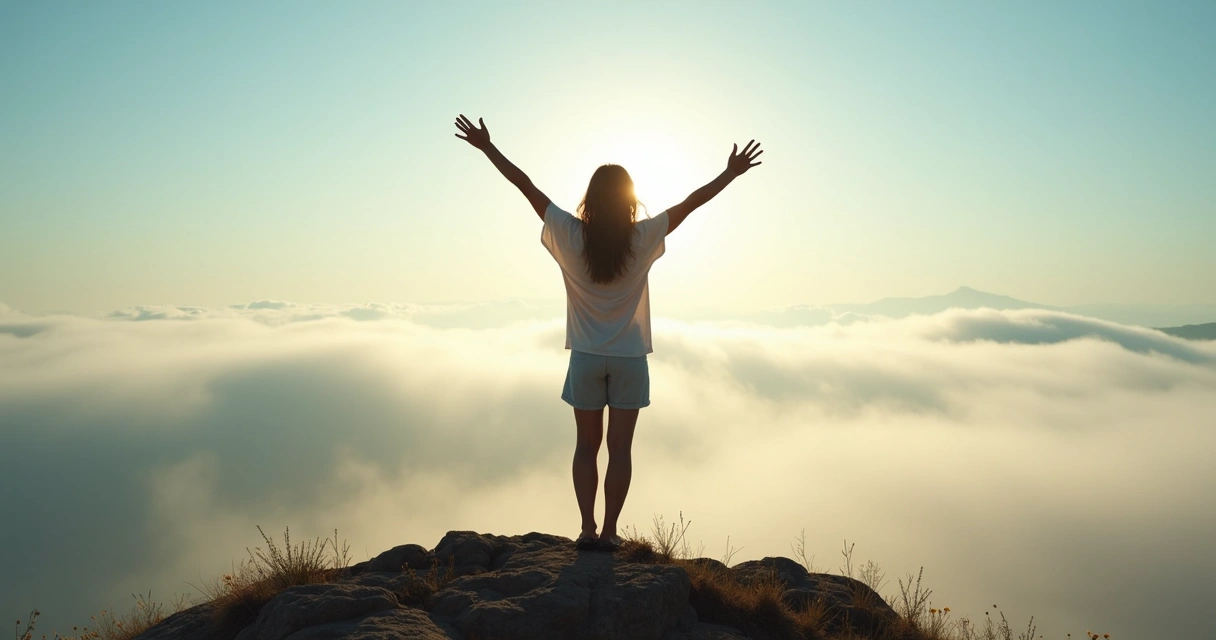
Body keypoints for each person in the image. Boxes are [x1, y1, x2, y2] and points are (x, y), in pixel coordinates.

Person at [453, 114, 762, 551]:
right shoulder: (642, 238)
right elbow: (691, 203)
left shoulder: (569, 233)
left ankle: (586, 529)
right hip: (630, 358)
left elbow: (527, 187)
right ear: (629, 201)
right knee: (620, 452)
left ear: (591, 200)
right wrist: (730, 174)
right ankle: (612, 533)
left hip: (585, 356)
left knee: (585, 448)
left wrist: (488, 148)